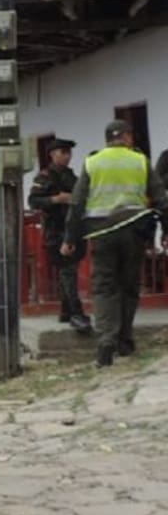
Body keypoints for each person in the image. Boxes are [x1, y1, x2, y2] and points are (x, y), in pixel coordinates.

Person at [63, 119, 168, 367]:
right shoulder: (140, 161)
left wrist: (70, 238)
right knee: (129, 286)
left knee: (104, 286)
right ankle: (125, 340)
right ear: (128, 137)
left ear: (108, 138)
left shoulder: (92, 162)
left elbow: (77, 203)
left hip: (102, 232)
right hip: (134, 231)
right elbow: (160, 198)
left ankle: (106, 342)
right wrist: (166, 229)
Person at [28, 137, 91, 333]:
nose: (66, 156)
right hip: (56, 229)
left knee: (69, 269)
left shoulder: (71, 176)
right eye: (62, 152)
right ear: (52, 154)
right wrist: (57, 199)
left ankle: (66, 310)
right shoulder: (45, 176)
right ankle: (75, 312)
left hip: (73, 227)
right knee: (67, 270)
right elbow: (34, 200)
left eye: (68, 152)